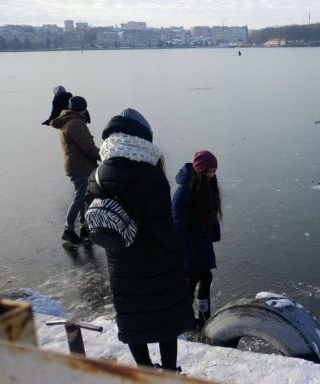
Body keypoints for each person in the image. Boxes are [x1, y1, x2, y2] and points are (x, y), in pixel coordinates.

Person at [86, 108, 193, 371]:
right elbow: (164, 229)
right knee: (165, 323)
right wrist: (183, 251)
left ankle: (145, 370)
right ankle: (168, 372)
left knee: (134, 322)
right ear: (142, 138)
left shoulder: (96, 175)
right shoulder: (149, 176)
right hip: (156, 266)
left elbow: (92, 223)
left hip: (120, 264)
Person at [172, 150, 222, 328]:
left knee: (204, 278)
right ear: (200, 171)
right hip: (190, 248)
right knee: (191, 282)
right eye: (210, 171)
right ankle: (187, 318)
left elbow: (209, 214)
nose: (212, 175)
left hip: (201, 244)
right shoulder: (184, 192)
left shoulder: (205, 188)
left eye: (214, 171)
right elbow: (179, 226)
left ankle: (202, 316)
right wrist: (189, 257)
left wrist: (214, 232)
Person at [49, 96, 100, 245]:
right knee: (80, 198)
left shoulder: (68, 121)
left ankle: (84, 227)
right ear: (83, 109)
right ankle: (68, 230)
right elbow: (87, 147)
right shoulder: (75, 124)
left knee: (84, 197)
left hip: (78, 165)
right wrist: (106, 156)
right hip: (80, 167)